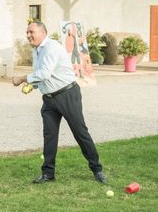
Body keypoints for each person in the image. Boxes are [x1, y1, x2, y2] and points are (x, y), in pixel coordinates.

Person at [12, 21, 107, 184]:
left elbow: (45, 72)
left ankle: (97, 170)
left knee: (80, 132)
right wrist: (33, 85)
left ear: (43, 32)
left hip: (67, 94)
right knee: (49, 136)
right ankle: (48, 174)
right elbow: (42, 74)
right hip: (49, 99)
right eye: (27, 32)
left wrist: (21, 78)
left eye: (32, 32)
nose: (28, 35)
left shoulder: (51, 48)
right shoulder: (37, 50)